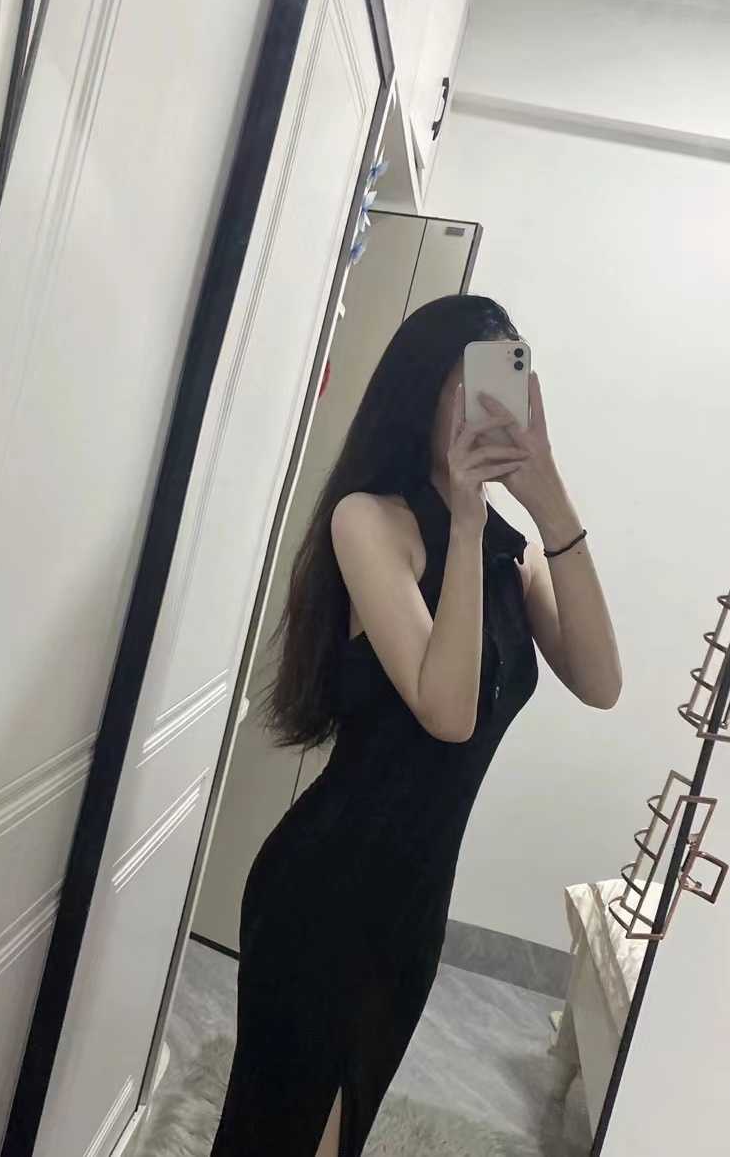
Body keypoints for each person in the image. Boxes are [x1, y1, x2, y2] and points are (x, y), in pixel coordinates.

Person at [210, 294, 621, 1157]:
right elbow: (448, 713)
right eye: (470, 386)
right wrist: (464, 525)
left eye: (508, 387)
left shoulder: (512, 553)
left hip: (413, 906)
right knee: (280, 1133)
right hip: (322, 890)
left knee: (342, 1128)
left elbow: (601, 683)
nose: (490, 410)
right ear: (423, 391)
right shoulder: (370, 520)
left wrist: (550, 502)